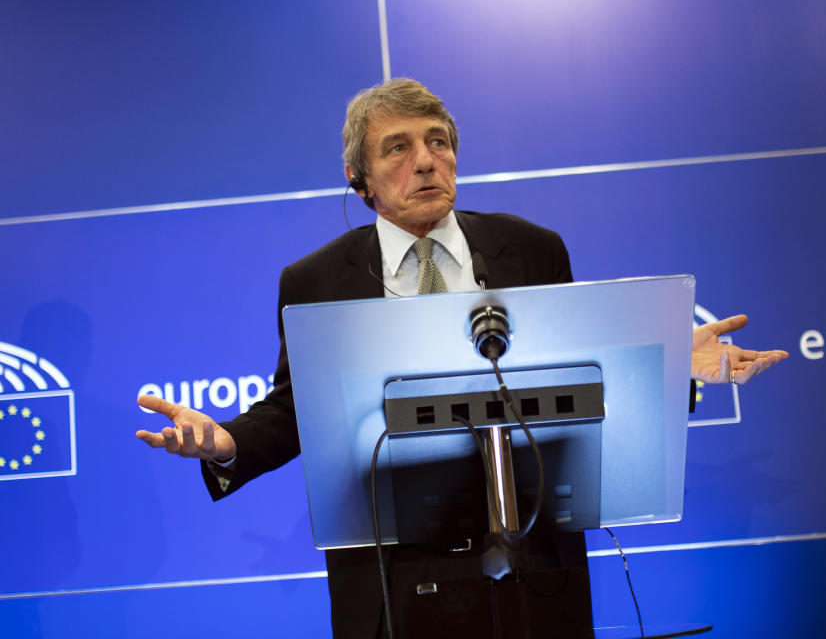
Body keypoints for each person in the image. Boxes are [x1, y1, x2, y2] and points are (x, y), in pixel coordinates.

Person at [136, 79, 788, 637]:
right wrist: (226, 442)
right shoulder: (315, 280)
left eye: (438, 142)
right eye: (398, 147)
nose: (425, 161)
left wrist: (677, 367)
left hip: (532, 556)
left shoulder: (530, 249)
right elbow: (295, 407)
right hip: (392, 573)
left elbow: (575, 379)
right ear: (358, 180)